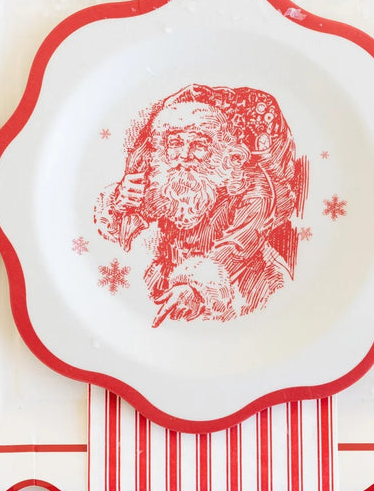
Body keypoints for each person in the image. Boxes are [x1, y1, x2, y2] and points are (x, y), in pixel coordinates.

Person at [94, 84, 308, 327]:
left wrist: (196, 285)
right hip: (167, 282)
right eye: (174, 143)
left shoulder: (252, 184)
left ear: (220, 149)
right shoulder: (163, 177)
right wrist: (119, 202)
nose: (184, 154)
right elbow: (123, 233)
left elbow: (238, 245)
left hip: (242, 287)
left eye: (198, 144)